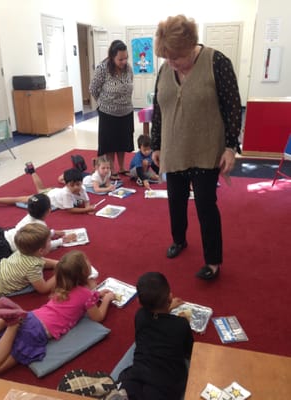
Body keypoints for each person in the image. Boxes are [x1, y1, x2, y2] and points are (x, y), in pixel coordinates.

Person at [150, 15, 242, 280]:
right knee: (175, 201)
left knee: (205, 204)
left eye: (176, 57)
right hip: (174, 148)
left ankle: (213, 261)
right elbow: (159, 109)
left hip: (206, 149)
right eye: (167, 58)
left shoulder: (217, 62)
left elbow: (233, 107)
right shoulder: (166, 67)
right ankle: (179, 240)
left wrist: (229, 147)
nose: (171, 63)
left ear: (191, 45)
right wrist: (156, 143)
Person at [0, 250, 116, 376]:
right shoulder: (86, 294)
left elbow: (77, 298)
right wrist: (106, 300)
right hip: (36, 333)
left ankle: (8, 321)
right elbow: (97, 317)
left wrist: (96, 294)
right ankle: (12, 324)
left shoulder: (61, 285)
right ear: (85, 273)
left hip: (32, 317)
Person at [118, 272, 193, 400]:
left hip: (137, 376)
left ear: (138, 302)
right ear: (170, 298)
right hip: (166, 385)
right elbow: (189, 352)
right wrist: (179, 319)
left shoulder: (140, 316)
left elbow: (155, 318)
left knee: (128, 387)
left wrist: (168, 309)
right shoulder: (181, 324)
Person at [90, 40, 134, 180]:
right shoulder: (103, 68)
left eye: (126, 58)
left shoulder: (128, 68)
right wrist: (103, 103)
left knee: (123, 141)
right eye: (120, 59)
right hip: (108, 112)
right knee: (110, 143)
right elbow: (93, 88)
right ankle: (112, 169)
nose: (124, 61)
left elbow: (130, 83)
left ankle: (121, 167)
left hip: (126, 111)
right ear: (112, 57)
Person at [0, 193, 77, 262]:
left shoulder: (28, 216)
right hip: (6, 248)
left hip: (4, 235)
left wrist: (52, 232)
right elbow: (44, 247)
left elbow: (34, 233)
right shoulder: (41, 225)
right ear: (49, 211)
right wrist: (62, 241)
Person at [0, 163, 96, 215]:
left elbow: (86, 200)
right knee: (19, 199)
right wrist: (86, 209)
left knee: (41, 188)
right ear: (67, 185)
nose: (76, 187)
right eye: (72, 185)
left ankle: (32, 171)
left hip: (53, 192)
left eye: (78, 184)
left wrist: (88, 206)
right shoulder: (66, 193)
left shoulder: (82, 188)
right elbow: (70, 210)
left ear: (81, 183)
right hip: (45, 198)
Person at [0, 223, 57, 298]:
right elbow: (43, 289)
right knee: (30, 288)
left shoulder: (22, 250)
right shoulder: (33, 266)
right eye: (49, 241)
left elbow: (41, 260)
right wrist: (60, 273)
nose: (51, 241)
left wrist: (56, 263)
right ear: (41, 251)